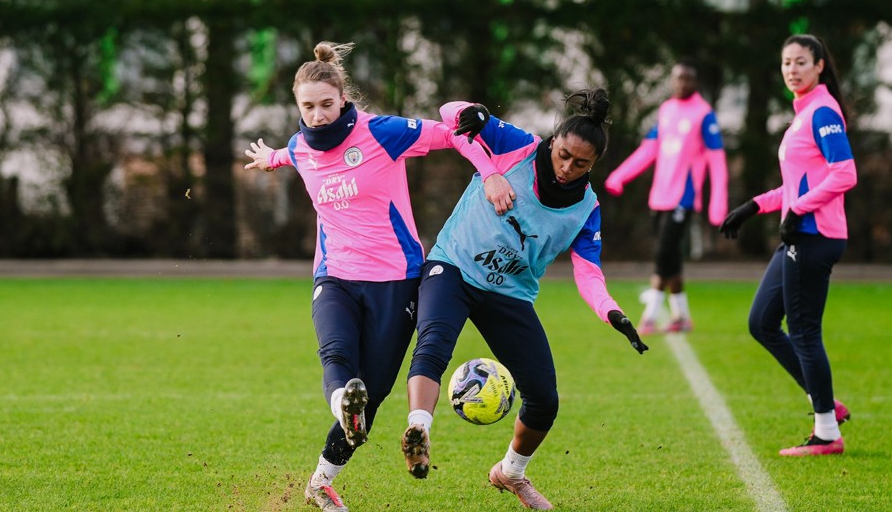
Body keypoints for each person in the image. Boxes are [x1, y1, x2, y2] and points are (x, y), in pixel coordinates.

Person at [244, 41, 515, 511]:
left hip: (395, 280)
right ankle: (343, 409)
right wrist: (271, 158)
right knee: (336, 355)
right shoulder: (300, 147)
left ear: (342, 99)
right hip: (334, 276)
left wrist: (490, 173)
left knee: (373, 391)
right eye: (307, 107)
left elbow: (453, 134)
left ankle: (320, 482)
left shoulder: (382, 132)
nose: (318, 116)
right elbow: (292, 155)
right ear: (298, 107)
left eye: (326, 105)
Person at [399, 89, 649, 510]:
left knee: (545, 398)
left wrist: (612, 312)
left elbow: (588, 272)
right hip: (454, 266)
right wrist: (476, 113)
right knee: (433, 343)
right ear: (554, 142)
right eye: (563, 155)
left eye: (580, 163)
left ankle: (511, 472)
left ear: (593, 165)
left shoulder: (586, 209)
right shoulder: (518, 146)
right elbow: (448, 112)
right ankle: (419, 430)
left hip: (509, 293)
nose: (567, 167)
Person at [718, 34, 856, 456]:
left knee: (804, 332)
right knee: (761, 322)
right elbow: (798, 185)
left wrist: (799, 210)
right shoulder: (804, 114)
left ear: (819, 66)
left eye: (801, 62)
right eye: (786, 63)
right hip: (800, 234)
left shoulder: (823, 112)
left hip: (814, 237)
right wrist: (753, 207)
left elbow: (844, 173)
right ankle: (826, 401)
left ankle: (827, 432)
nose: (792, 70)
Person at [604, 60, 728, 334]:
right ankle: (682, 316)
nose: (681, 83)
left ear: (695, 82)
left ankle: (650, 315)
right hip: (659, 197)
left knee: (663, 254)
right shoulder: (666, 110)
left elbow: (717, 160)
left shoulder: (704, 114)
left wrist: (718, 202)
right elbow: (648, 149)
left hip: (683, 198)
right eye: (677, 78)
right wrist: (620, 175)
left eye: (687, 78)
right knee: (670, 258)